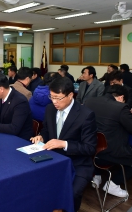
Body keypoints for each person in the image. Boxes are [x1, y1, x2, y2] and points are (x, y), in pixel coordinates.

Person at [30, 77, 96, 211]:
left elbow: (89, 148)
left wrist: (64, 144)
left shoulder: (85, 115)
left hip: (78, 163)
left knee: (71, 194)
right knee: (34, 185)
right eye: (51, 97)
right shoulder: (50, 109)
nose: (54, 102)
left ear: (71, 95)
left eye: (58, 98)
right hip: (54, 159)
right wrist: (41, 137)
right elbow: (47, 130)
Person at [85, 85, 132, 198]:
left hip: (89, 149)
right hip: (109, 153)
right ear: (121, 98)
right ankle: (113, 184)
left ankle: (96, 176)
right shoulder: (120, 108)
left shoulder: (89, 101)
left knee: (99, 140)